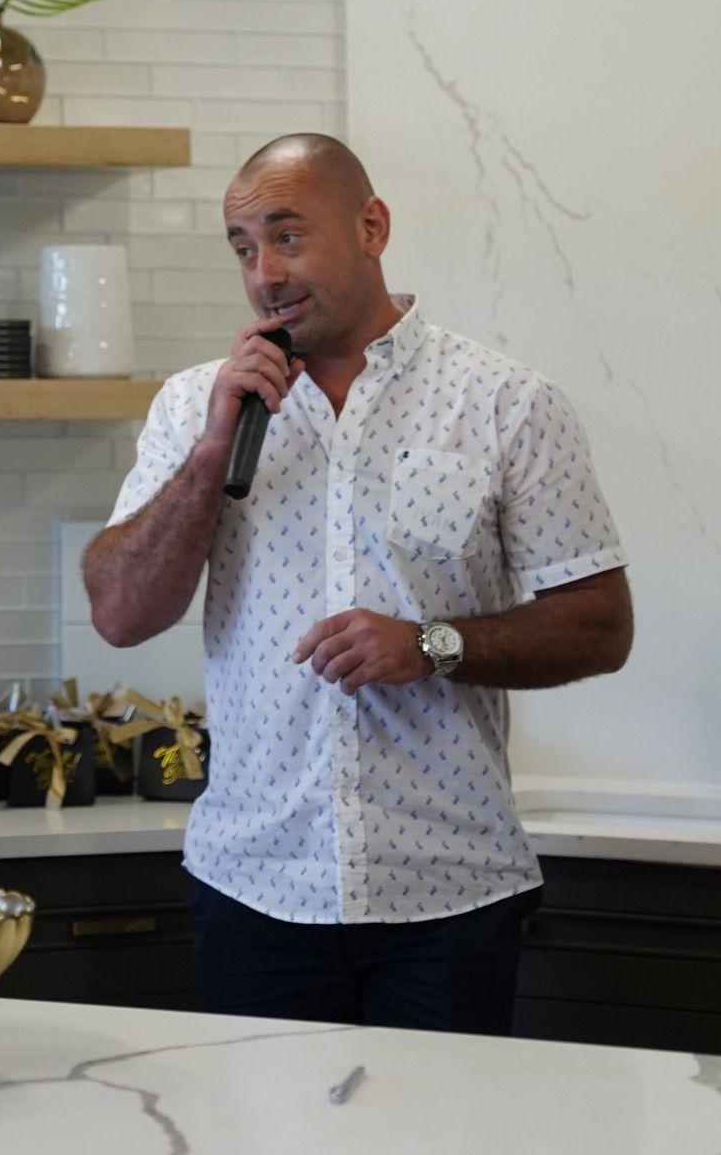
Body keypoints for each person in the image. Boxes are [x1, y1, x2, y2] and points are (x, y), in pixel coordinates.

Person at [84, 133, 633, 1033]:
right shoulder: (195, 407)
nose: (264, 272)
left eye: (287, 236)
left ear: (372, 226)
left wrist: (431, 646)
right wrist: (212, 453)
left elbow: (600, 625)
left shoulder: (506, 402)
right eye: (242, 247)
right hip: (252, 892)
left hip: (448, 897)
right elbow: (118, 614)